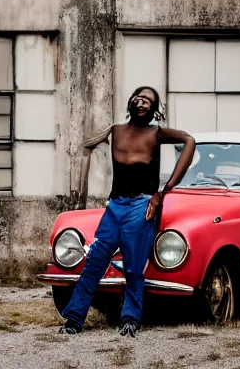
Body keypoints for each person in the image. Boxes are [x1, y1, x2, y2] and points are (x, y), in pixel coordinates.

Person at [59, 86, 195, 337]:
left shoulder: (157, 133)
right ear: (131, 101)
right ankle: (74, 319)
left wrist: (162, 193)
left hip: (142, 205)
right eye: (139, 98)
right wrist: (80, 193)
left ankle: (130, 319)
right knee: (95, 261)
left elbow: (189, 140)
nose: (143, 103)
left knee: (133, 266)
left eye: (149, 101)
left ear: (155, 109)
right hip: (115, 205)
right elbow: (86, 145)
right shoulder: (115, 131)